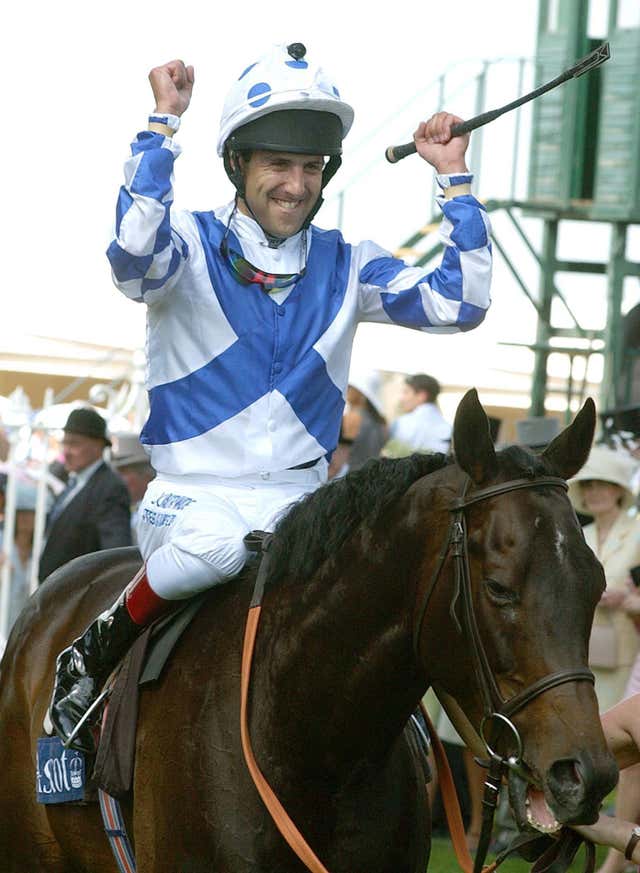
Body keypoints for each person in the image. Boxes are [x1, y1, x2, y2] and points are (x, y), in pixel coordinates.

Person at [48, 43, 493, 751]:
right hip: (190, 501)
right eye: (278, 165)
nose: (296, 185)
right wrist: (161, 125)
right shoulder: (187, 242)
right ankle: (92, 652)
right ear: (238, 165)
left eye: (311, 168)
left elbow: (462, 302)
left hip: (304, 505)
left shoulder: (350, 262)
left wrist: (454, 178)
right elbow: (130, 261)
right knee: (216, 545)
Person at [567, 444, 640, 714]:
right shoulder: (578, 535)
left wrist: (626, 599)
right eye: (588, 486)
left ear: (619, 490)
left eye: (603, 485)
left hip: (626, 655)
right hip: (581, 654)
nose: (594, 492)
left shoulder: (638, 530)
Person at [38, 408, 132, 583]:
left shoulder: (109, 487)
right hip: (60, 594)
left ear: (98, 445)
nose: (66, 451)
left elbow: (116, 555)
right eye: (64, 443)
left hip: (78, 598)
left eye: (74, 444)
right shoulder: (75, 482)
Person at [387, 373, 452, 455]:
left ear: (422, 396)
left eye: (406, 392)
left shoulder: (401, 424)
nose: (401, 398)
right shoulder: (449, 428)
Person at [111, 432, 156, 543]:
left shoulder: (153, 513)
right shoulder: (130, 509)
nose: (117, 481)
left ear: (146, 475)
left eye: (124, 473)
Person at [340, 371, 388, 472]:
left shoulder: (352, 418)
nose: (346, 389)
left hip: (348, 476)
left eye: (350, 387)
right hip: (370, 476)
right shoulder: (382, 422)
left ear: (362, 392)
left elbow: (340, 455)